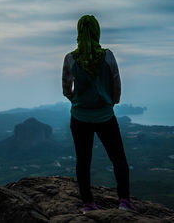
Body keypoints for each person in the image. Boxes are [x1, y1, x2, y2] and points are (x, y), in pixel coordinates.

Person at [62, 15, 136, 213]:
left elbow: (66, 88)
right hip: (105, 115)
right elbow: (116, 84)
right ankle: (124, 202)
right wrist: (111, 101)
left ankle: (87, 204)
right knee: (118, 158)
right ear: (97, 32)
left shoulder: (70, 58)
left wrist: (77, 101)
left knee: (83, 161)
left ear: (79, 33)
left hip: (79, 117)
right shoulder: (108, 56)